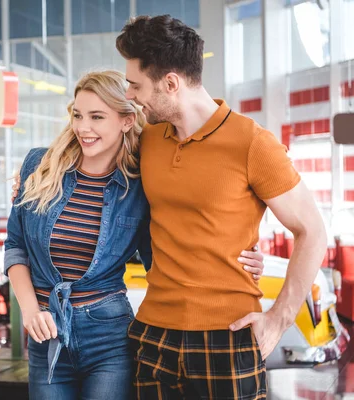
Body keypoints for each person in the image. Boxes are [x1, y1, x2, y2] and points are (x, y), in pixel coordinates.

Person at [4, 70, 265, 400]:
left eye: (97, 117)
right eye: (78, 115)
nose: (83, 128)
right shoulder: (38, 166)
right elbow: (15, 246)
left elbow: (173, 241)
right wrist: (29, 311)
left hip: (109, 335)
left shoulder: (140, 183)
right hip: (46, 332)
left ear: (127, 121)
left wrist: (236, 255)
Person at [115, 15, 327, 398]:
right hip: (153, 335)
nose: (129, 94)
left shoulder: (252, 143)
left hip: (227, 339)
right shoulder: (147, 138)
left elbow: (312, 230)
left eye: (135, 84)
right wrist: (32, 174)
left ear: (171, 83)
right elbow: (87, 152)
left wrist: (279, 318)